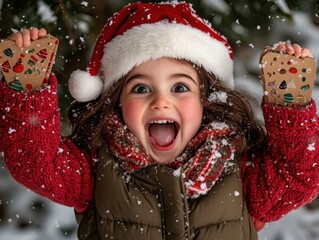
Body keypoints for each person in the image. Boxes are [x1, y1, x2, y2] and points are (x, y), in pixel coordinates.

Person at [1, 2, 319, 240]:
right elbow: (35, 165)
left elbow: (300, 177)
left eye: (180, 87)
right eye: (141, 88)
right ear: (117, 102)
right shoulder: (96, 168)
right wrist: (26, 87)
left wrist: (288, 98)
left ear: (206, 101)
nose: (161, 101)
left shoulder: (238, 169)